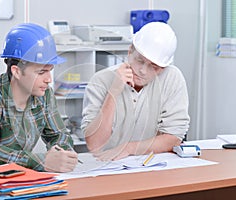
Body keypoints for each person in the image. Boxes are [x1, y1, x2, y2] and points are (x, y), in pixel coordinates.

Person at [0, 23, 78, 172]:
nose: (48, 79)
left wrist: (62, 156)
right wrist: (41, 161)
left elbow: (59, 135)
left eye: (50, 71)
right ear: (17, 72)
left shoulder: (44, 94)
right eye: (41, 72)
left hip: (18, 177)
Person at [81, 22, 190, 161]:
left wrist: (129, 148)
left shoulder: (172, 77)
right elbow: (94, 145)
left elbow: (174, 138)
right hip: (107, 165)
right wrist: (113, 93)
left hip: (152, 164)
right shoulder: (100, 81)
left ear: (163, 68)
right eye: (139, 61)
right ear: (130, 51)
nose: (143, 71)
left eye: (154, 67)